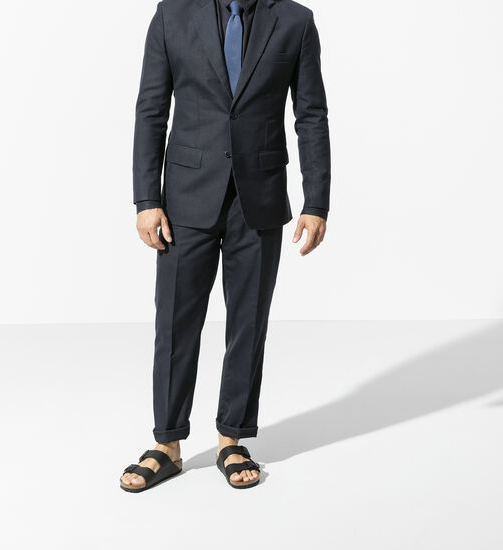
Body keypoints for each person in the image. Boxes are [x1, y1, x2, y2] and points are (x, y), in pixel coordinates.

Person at [120, 0, 331, 492]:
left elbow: (311, 115)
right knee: (175, 324)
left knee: (248, 323)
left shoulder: (295, 21)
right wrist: (147, 199)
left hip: (259, 198)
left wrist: (316, 200)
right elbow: (151, 110)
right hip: (185, 199)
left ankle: (231, 438)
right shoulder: (172, 15)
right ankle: (167, 444)